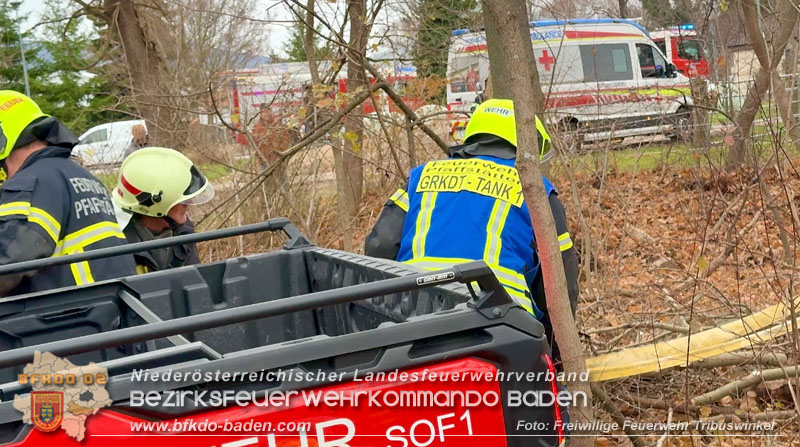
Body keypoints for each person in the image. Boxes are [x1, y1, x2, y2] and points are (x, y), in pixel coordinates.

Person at [364, 98, 578, 357]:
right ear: (523, 143)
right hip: (503, 329)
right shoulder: (536, 190)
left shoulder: (422, 177)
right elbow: (559, 284)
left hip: (413, 322)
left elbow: (379, 248)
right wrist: (555, 357)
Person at [0, 90, 136, 296]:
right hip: (109, 311)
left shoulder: (31, 184)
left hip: (69, 319)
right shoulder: (80, 176)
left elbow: (8, 264)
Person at [112, 147, 215, 274]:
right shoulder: (116, 246)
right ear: (155, 203)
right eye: (182, 200)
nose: (190, 203)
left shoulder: (183, 230)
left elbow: (196, 280)